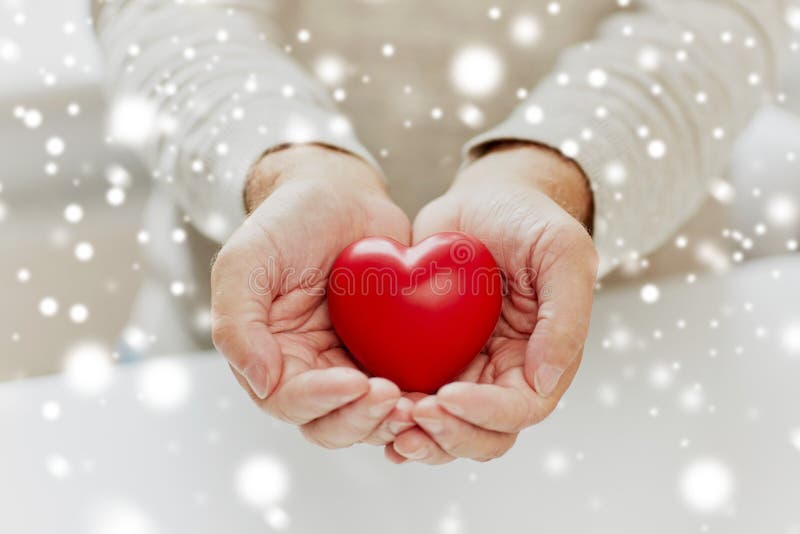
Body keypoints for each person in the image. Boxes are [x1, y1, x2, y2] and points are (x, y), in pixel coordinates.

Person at [92, 0, 789, 464]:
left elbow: (721, 14)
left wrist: (548, 178)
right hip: (239, 359)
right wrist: (288, 168)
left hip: (638, 366)